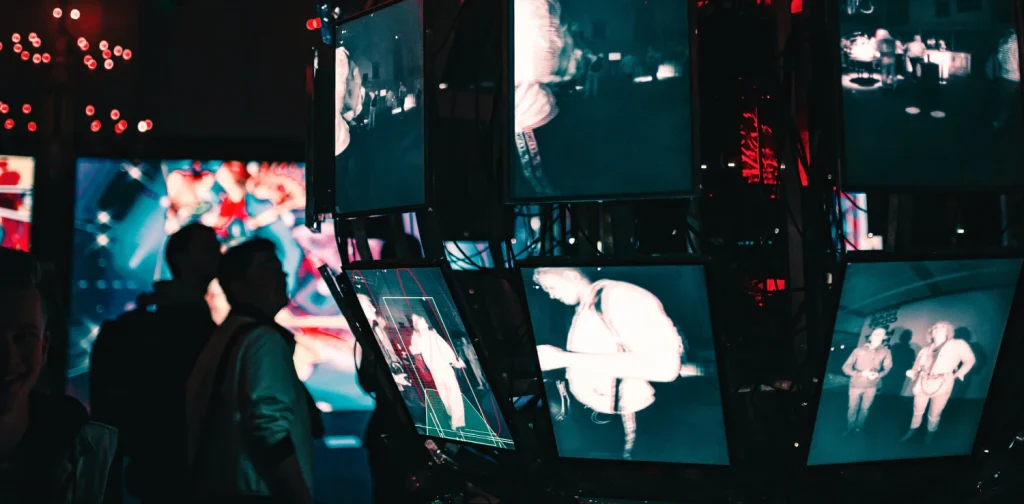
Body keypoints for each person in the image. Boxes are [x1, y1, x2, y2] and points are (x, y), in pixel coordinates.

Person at [90, 223, 221, 503]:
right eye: (207, 247)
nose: (218, 254)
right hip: (171, 464)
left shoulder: (162, 320)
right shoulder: (171, 327)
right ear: (181, 258)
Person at [185, 239, 322, 503]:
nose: (282, 275)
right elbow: (269, 428)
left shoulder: (227, 335)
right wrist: (300, 497)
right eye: (267, 266)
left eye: (279, 266)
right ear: (238, 284)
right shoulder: (262, 340)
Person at [531, 268, 702, 460]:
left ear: (572, 276)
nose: (551, 295)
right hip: (616, 419)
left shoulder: (617, 296)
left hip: (637, 418)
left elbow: (664, 367)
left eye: (551, 287)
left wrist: (563, 358)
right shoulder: (590, 304)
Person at [0, 248, 118, 503]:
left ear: (44, 348)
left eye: (23, 337)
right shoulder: (87, 453)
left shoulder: (92, 456)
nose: (8, 359)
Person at [899, 321, 976, 444]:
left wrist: (958, 374)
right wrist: (912, 374)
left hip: (943, 384)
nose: (938, 329)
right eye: (935, 327)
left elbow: (970, 360)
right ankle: (912, 430)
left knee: (934, 414)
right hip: (922, 383)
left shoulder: (958, 344)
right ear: (931, 332)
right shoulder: (925, 350)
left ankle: (929, 436)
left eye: (942, 327)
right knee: (917, 411)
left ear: (948, 331)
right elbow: (916, 367)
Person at [408, 313, 467, 431]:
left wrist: (454, 361)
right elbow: (443, 349)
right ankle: (455, 418)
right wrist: (455, 362)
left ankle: (455, 420)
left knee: (448, 393)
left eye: (421, 321)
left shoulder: (423, 336)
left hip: (439, 368)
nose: (425, 323)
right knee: (449, 393)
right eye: (420, 321)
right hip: (439, 369)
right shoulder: (425, 335)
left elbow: (416, 350)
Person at [841, 328, 893, 435]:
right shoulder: (858, 350)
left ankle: (859, 426)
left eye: (880, 333)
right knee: (852, 407)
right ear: (871, 335)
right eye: (875, 333)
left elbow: (888, 367)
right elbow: (845, 367)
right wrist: (859, 373)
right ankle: (850, 427)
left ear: (884, 337)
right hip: (856, 384)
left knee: (866, 408)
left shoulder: (886, 351)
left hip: (872, 385)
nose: (877, 335)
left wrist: (879, 374)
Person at [989, 29, 1020, 129]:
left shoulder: (1003, 40)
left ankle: (998, 124)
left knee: (1004, 106)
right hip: (1017, 79)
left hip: (1005, 78)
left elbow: (999, 57)